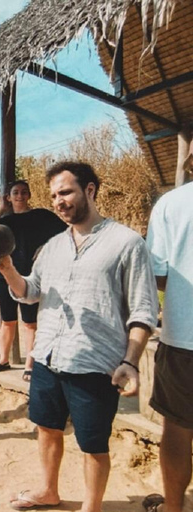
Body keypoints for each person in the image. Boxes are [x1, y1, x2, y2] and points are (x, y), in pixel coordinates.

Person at [0, 161, 158, 512]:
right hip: (48, 356)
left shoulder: (126, 243)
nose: (59, 201)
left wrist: (130, 360)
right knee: (47, 428)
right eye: (54, 195)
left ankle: (91, 506)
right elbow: (30, 292)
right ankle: (49, 490)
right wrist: (9, 270)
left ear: (90, 190)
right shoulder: (51, 247)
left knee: (93, 444)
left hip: (95, 364)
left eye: (66, 192)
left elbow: (143, 311)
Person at [142, 176, 193, 512]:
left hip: (184, 335)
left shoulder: (172, 204)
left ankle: (173, 507)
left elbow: (156, 272)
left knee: (177, 426)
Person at [0, 180, 66, 381]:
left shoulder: (42, 216)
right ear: (9, 197)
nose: (20, 196)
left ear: (29, 195)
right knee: (7, 320)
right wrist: (1, 210)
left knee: (30, 323)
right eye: (15, 192)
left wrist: (44, 249)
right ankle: (3, 359)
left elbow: (65, 233)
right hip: (6, 276)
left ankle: (29, 365)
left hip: (32, 277)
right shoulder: (4, 222)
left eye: (24, 192)